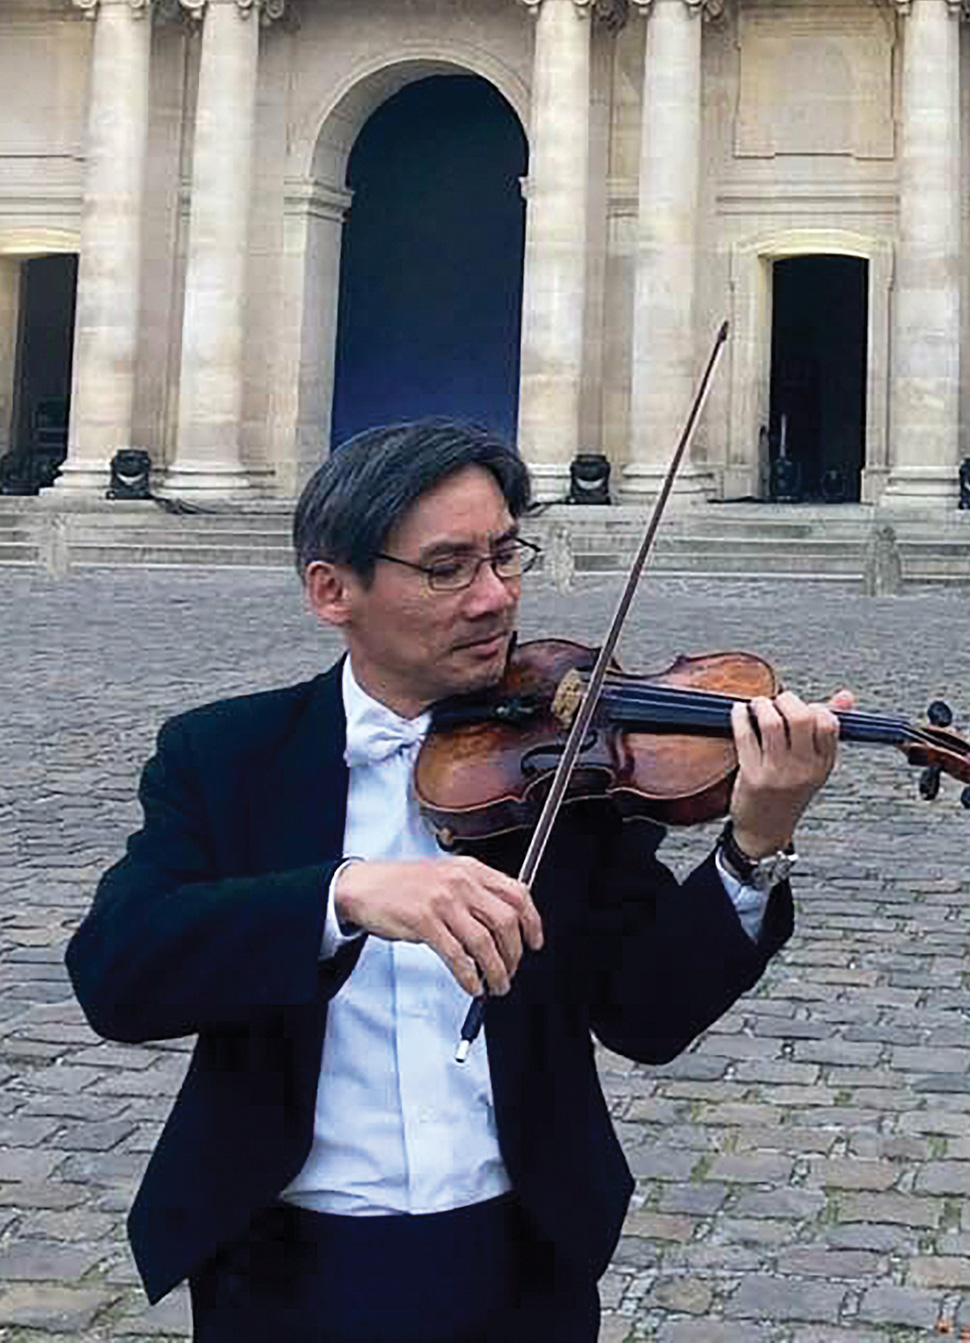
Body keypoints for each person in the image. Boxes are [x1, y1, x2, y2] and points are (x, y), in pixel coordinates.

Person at [65, 419, 850, 1343]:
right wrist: (342, 894)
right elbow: (119, 972)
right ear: (333, 589)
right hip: (279, 1262)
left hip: (517, 1254)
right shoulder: (226, 755)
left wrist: (757, 840)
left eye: (505, 555)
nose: (494, 598)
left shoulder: (568, 768)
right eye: (447, 568)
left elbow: (647, 1013)